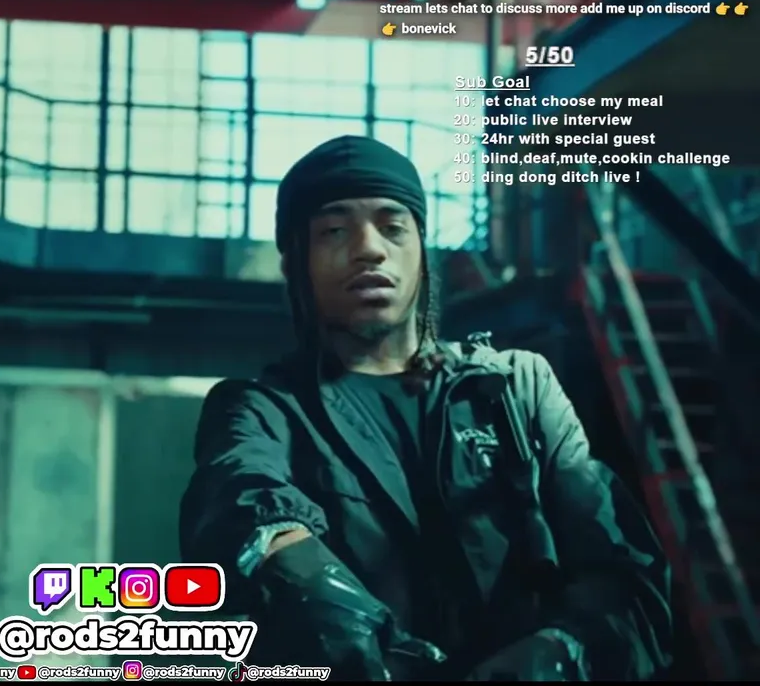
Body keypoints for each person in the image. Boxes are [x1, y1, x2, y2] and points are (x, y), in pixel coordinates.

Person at [179, 136, 673, 680]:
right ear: (294, 261)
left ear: (420, 249)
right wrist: (367, 642)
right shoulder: (262, 412)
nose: (369, 249)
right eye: (334, 231)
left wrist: (561, 650)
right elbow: (245, 506)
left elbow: (622, 571)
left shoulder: (514, 388)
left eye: (393, 227)